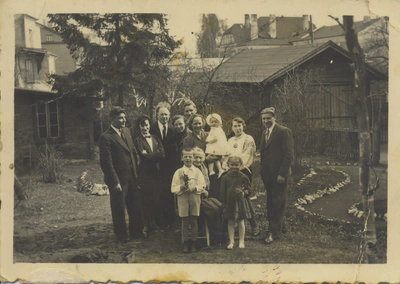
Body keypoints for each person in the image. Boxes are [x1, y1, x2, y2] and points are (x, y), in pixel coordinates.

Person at [99, 107, 141, 242]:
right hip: (119, 179)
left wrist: (136, 174)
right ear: (112, 119)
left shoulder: (127, 132)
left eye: (124, 117)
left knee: (134, 206)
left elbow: (133, 153)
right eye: (120, 118)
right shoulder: (106, 137)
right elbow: (106, 162)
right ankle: (122, 236)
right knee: (119, 208)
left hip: (132, 177)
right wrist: (115, 181)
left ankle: (136, 233)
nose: (124, 120)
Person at [259, 107, 294, 244]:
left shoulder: (283, 131)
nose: (266, 121)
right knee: (271, 200)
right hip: (267, 173)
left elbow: (288, 155)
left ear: (274, 118)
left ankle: (273, 232)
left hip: (279, 174)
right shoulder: (264, 133)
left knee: (278, 201)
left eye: (268, 118)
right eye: (264, 119)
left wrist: (282, 174)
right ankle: (280, 226)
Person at [226, 117, 259, 236]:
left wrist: (236, 166)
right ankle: (236, 224)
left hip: (244, 171)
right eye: (235, 126)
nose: (237, 128)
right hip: (231, 172)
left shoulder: (248, 139)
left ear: (243, 126)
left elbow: (247, 156)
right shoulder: (230, 140)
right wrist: (228, 167)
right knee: (232, 197)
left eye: (239, 126)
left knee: (244, 198)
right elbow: (226, 155)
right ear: (232, 127)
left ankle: (253, 224)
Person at [133, 115, 165, 237]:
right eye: (142, 125)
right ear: (139, 127)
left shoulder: (155, 138)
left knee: (155, 197)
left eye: (146, 125)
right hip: (145, 173)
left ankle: (154, 223)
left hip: (156, 172)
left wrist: (150, 154)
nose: (145, 128)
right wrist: (155, 154)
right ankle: (146, 224)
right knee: (146, 199)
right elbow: (143, 157)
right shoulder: (138, 140)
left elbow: (163, 153)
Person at [171, 148, 207, 253]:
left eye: (190, 156)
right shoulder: (178, 172)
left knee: (194, 219)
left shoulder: (197, 171)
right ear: (182, 158)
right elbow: (173, 188)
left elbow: (203, 185)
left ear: (193, 158)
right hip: (182, 197)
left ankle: (194, 242)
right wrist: (181, 187)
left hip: (194, 197)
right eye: (185, 156)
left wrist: (195, 188)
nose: (188, 158)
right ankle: (185, 242)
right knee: (185, 220)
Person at [150, 105, 176, 228]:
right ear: (157, 115)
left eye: (166, 114)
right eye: (162, 114)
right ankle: (157, 220)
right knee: (157, 193)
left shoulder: (172, 129)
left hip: (169, 167)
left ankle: (169, 219)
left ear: (169, 115)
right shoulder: (151, 128)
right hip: (156, 166)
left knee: (169, 192)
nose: (164, 117)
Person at [220, 155, 253, 249]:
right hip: (229, 202)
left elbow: (249, 190)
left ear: (241, 165)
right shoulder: (225, 177)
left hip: (240, 203)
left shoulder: (244, 177)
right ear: (228, 165)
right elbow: (222, 192)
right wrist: (223, 203)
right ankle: (231, 241)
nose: (234, 167)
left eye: (237, 165)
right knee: (230, 221)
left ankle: (241, 241)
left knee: (240, 221)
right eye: (232, 165)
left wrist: (244, 193)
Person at [205, 113, 230, 178]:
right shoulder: (213, 129)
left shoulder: (217, 130)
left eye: (215, 122)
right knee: (215, 159)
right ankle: (216, 170)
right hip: (214, 146)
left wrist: (208, 141)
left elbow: (215, 139)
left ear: (219, 123)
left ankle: (212, 171)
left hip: (215, 146)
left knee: (212, 158)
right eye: (212, 122)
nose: (213, 123)